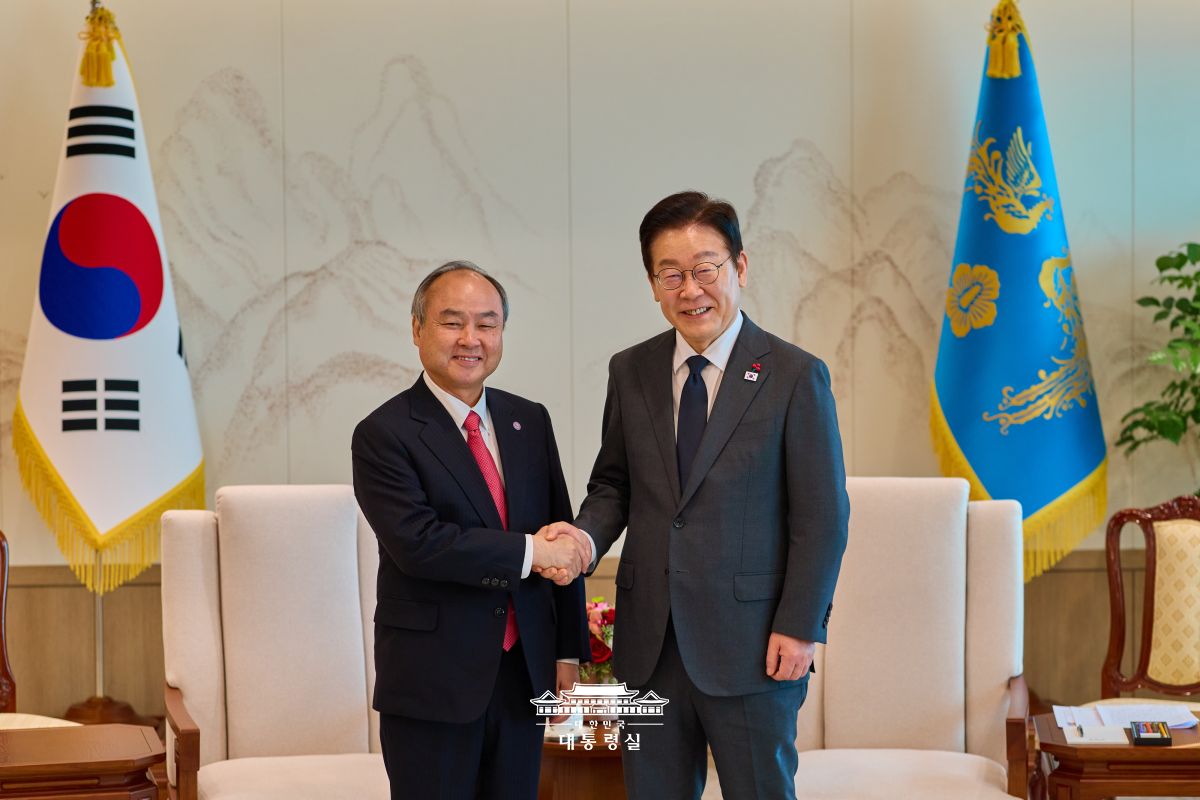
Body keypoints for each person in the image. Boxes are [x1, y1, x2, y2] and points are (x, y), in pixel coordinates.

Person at [541, 191, 849, 799]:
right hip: (649, 645)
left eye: (705, 268)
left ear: (739, 267)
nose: (691, 289)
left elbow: (822, 516)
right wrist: (583, 537)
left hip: (755, 644)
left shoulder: (793, 375)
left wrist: (799, 625)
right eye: (671, 274)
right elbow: (614, 485)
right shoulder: (630, 370)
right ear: (653, 284)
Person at [352, 261, 592, 800]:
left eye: (487, 323)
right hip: (433, 681)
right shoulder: (384, 433)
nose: (471, 339)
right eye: (451, 322)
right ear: (417, 330)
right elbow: (419, 544)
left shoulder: (529, 421)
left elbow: (562, 529)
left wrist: (567, 653)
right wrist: (532, 551)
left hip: (524, 674)